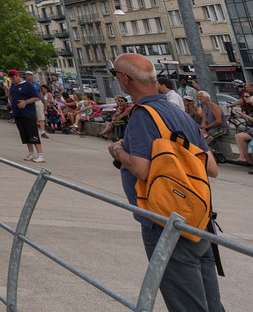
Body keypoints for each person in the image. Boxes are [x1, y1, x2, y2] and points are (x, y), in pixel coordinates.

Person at [107, 54, 223, 312]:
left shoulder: (142, 116)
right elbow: (212, 168)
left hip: (164, 220)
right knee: (210, 303)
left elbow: (141, 169)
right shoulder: (177, 112)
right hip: (200, 217)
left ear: (124, 80)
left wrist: (117, 150)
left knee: (185, 303)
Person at [7, 70, 45, 163]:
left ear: (17, 75)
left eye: (13, 77)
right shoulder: (13, 86)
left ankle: (40, 154)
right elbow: (11, 96)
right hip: (18, 113)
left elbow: (36, 97)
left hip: (28, 113)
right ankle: (31, 152)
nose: (12, 79)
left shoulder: (28, 85)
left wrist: (26, 102)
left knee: (33, 133)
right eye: (11, 78)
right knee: (24, 133)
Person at [196, 92, 234, 163]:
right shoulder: (205, 108)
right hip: (212, 129)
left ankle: (211, 160)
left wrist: (207, 127)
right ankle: (211, 159)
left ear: (207, 97)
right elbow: (204, 120)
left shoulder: (214, 107)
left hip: (222, 129)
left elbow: (218, 121)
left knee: (207, 139)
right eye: (198, 97)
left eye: (201, 97)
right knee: (202, 136)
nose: (199, 98)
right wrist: (203, 128)